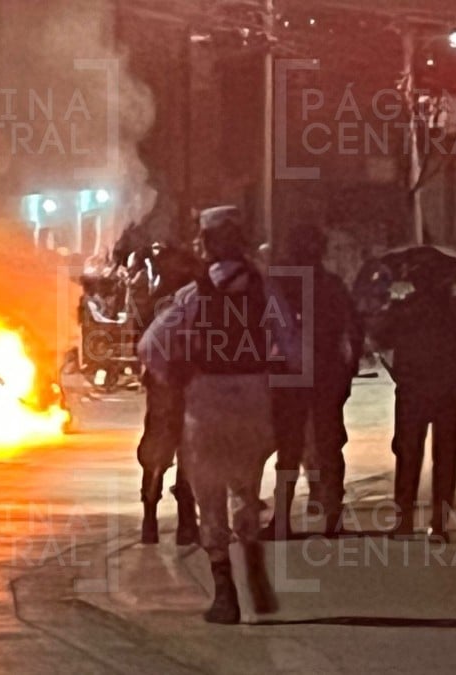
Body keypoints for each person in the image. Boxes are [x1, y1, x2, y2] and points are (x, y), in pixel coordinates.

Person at [139, 206, 300, 624]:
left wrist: (174, 373)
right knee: (244, 488)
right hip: (253, 402)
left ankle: (225, 593)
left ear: (208, 244)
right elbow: (293, 347)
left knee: (208, 495)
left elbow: (150, 346)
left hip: (204, 406)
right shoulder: (265, 290)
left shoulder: (192, 296)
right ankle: (252, 558)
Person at [372, 248, 456, 541]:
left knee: (408, 453)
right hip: (449, 389)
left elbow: (378, 337)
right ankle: (438, 523)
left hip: (412, 389)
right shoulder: (455, 308)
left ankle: (403, 521)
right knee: (446, 454)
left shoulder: (403, 309)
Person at [264, 225, 363, 538]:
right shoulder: (331, 286)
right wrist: (345, 376)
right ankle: (332, 518)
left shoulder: (279, 285)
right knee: (329, 446)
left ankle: (282, 519)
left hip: (291, 376)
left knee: (290, 449)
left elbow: (262, 330)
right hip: (325, 375)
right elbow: (353, 334)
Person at [133, 242, 201, 545]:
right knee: (177, 451)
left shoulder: (160, 301)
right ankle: (179, 520)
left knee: (163, 451)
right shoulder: (189, 300)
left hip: (169, 387)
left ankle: (160, 517)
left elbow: (142, 343)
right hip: (178, 386)